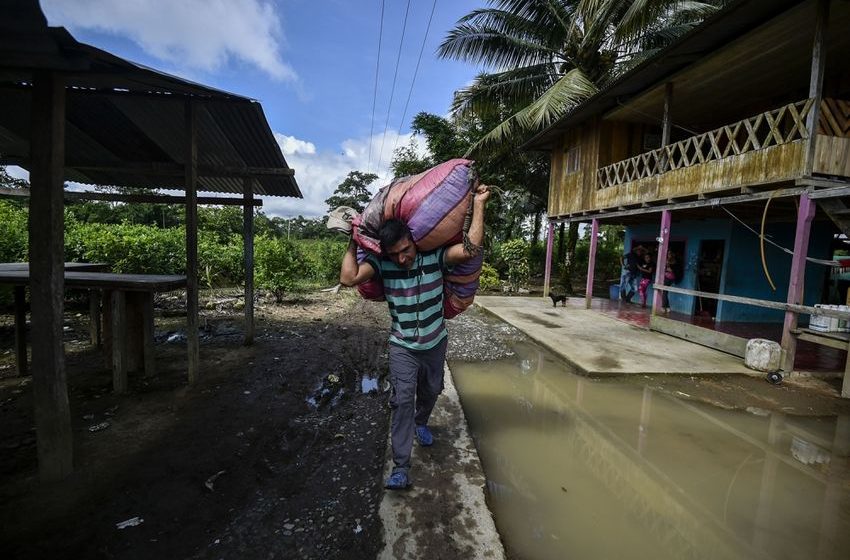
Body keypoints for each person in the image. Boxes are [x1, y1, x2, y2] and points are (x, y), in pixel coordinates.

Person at [339, 184, 490, 490]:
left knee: (432, 390)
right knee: (402, 400)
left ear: (414, 242)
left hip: (435, 343)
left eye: (406, 250)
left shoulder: (434, 257)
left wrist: (479, 203)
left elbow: (471, 249)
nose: (403, 258)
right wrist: (352, 242)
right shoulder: (381, 264)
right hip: (402, 347)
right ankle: (401, 467)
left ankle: (422, 422)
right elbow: (348, 278)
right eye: (395, 255)